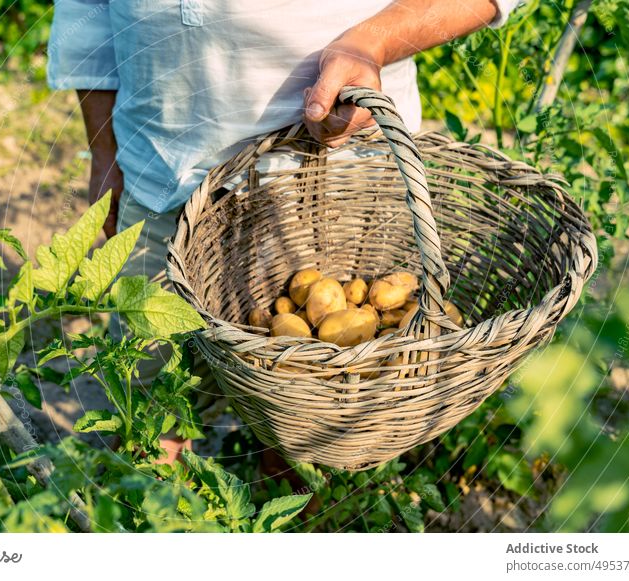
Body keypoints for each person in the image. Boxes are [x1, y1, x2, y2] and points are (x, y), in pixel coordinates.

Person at [47, 0, 520, 462]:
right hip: (156, 166)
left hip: (327, 174)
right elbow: (88, 12)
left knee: (310, 419)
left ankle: (290, 496)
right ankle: (154, 493)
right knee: (144, 386)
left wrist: (370, 43)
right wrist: (103, 148)